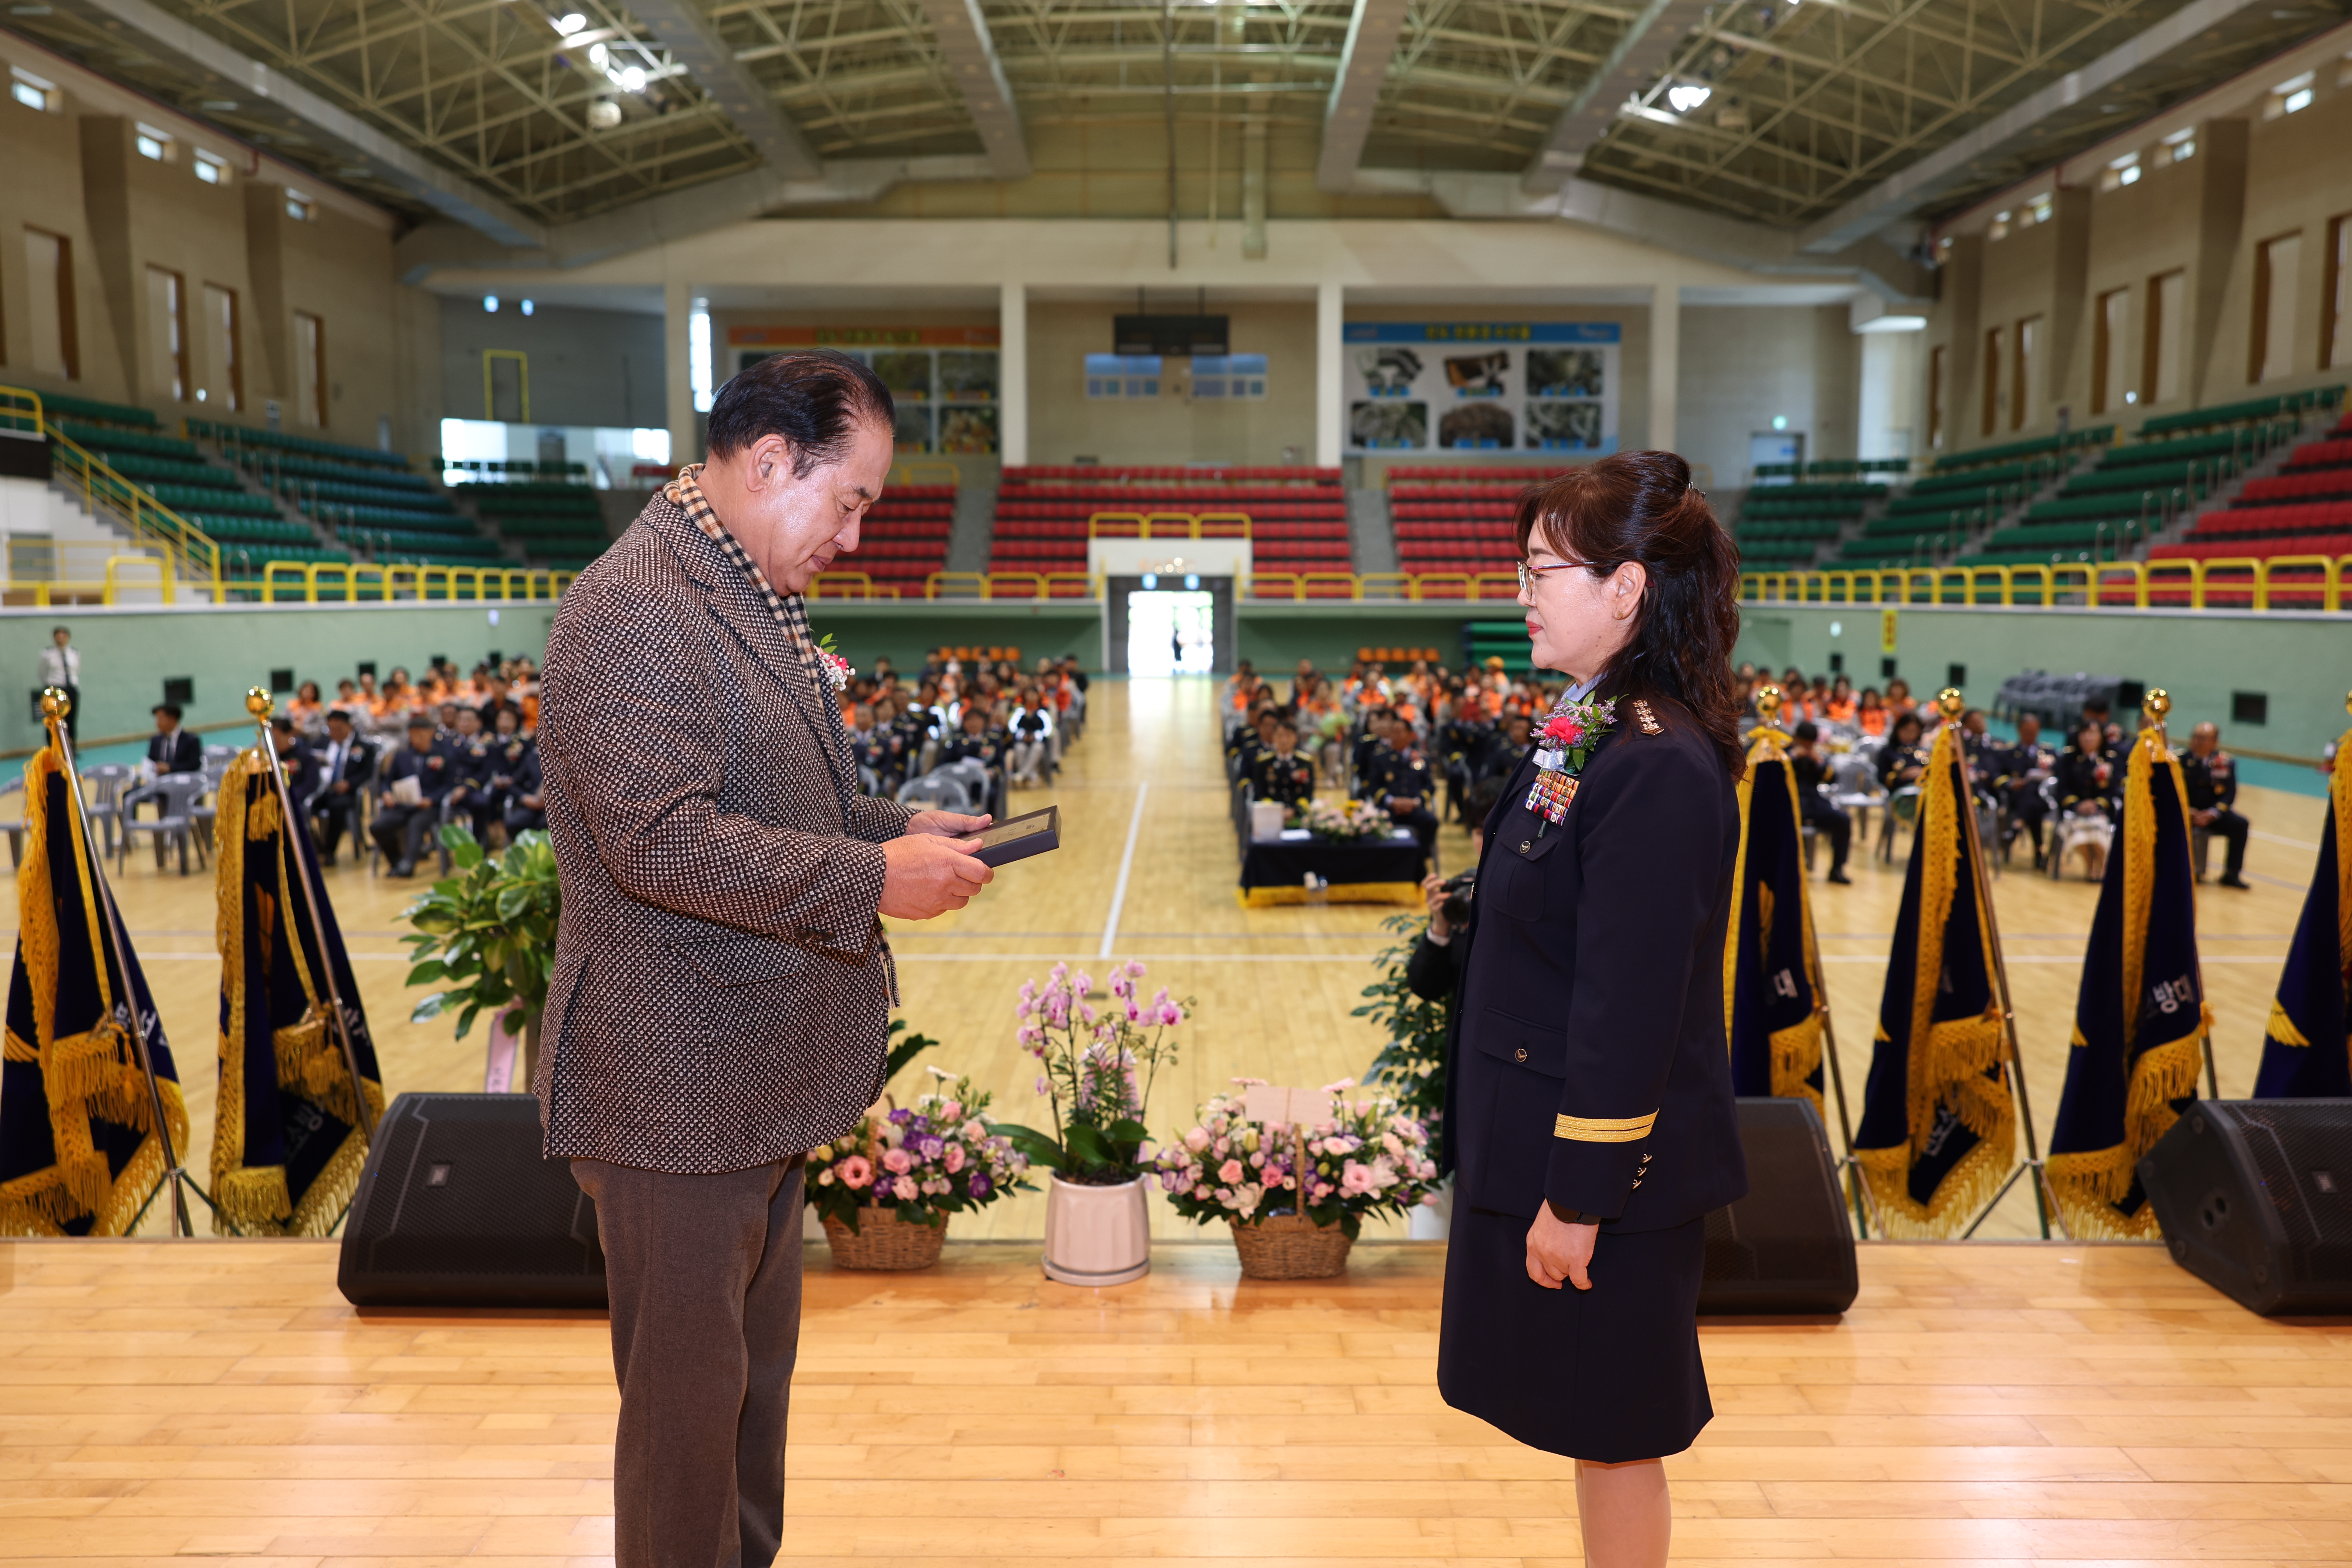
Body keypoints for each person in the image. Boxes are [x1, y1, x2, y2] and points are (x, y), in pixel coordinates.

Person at [533, 349, 992, 1568]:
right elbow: (660, 841)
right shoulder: (637, 603)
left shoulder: (739, 587)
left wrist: (895, 828)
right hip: (672, 1082)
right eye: (850, 500)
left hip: (746, 1076)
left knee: (743, 1414)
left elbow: (777, 794)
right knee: (685, 1436)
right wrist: (870, 877)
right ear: (771, 460)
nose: (853, 534)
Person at [1437, 450, 1748, 1568]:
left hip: (1612, 1175)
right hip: (1562, 1148)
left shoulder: (1655, 760)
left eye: (1541, 571)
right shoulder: (1597, 724)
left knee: (1617, 1430)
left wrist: (1579, 1198)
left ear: (1626, 588)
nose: (1520, 592)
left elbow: (1632, 1010)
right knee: (1594, 1424)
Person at [371, 714, 454, 875]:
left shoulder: (442, 755)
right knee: (378, 827)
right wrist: (386, 793)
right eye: (412, 734)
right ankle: (396, 862)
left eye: (420, 733)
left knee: (416, 823)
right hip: (404, 804)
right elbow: (387, 781)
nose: (416, 738)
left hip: (428, 807)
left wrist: (432, 799)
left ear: (430, 733)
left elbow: (449, 785)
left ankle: (408, 864)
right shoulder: (402, 757)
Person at [2181, 721, 2250, 889]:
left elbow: (2229, 794)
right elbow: (2174, 792)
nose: (2198, 741)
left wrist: (2212, 813)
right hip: (2185, 813)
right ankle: (2185, 871)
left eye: (2204, 738)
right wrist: (2187, 811)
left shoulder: (2225, 763)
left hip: (2212, 814)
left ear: (2215, 741)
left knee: (2240, 824)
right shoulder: (2179, 761)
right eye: (2196, 737)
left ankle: (2231, 874)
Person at [1786, 721, 1851, 884]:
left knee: (1843, 820)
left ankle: (1837, 869)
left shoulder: (1816, 756)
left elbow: (1831, 779)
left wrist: (1820, 763)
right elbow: (1775, 773)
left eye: (1811, 744)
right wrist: (1793, 757)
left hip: (1813, 802)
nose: (1807, 747)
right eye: (1804, 743)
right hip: (1789, 802)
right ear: (1796, 738)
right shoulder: (1784, 752)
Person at [2053, 719, 2119, 880]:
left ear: (2101, 737)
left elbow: (2113, 790)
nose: (2088, 738)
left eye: (2093, 733)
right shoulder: (2069, 759)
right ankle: (2090, 867)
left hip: (2100, 812)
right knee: (2081, 828)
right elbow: (2062, 788)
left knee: (2097, 826)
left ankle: (2101, 867)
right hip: (2075, 813)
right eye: (2085, 733)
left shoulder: (2110, 760)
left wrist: (2096, 804)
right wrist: (2078, 805)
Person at [309, 708, 374, 864]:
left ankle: (330, 851)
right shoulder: (322, 745)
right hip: (324, 790)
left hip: (347, 792)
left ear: (349, 726)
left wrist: (349, 784)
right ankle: (317, 849)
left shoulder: (363, 747)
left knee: (337, 807)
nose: (335, 732)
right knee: (303, 808)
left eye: (339, 728)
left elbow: (367, 772)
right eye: (331, 729)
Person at [1993, 712, 2056, 865]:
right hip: (2017, 797)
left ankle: (2017, 826)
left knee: (2035, 793)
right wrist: (2010, 783)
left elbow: (2059, 776)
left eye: (2034, 731)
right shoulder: (2008, 753)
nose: (2031, 735)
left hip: (2044, 799)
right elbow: (1996, 774)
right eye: (2027, 731)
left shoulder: (2049, 754)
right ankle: (2039, 852)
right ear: (2019, 731)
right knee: (2033, 801)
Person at [1250, 719, 1317, 810]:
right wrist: (1273, 808)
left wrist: (1296, 810)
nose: (1284, 740)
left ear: (1296, 738)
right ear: (1274, 737)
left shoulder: (1305, 762)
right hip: (1270, 812)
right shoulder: (1264, 762)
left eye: (1289, 736)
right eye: (1280, 736)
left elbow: (1308, 792)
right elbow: (1259, 791)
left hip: (1297, 812)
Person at [37, 626, 80, 744]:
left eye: (64, 636)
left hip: (71, 689)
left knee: (71, 720)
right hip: (55, 690)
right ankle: (53, 749)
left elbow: (76, 671)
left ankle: (71, 748)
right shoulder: (48, 654)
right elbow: (42, 672)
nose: (61, 638)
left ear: (68, 638)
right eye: (58, 636)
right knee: (53, 720)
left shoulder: (74, 653)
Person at [147, 703, 201, 775]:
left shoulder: (191, 740)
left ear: (173, 719)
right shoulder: (156, 740)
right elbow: (151, 761)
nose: (158, 723)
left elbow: (194, 765)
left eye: (161, 719)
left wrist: (170, 768)